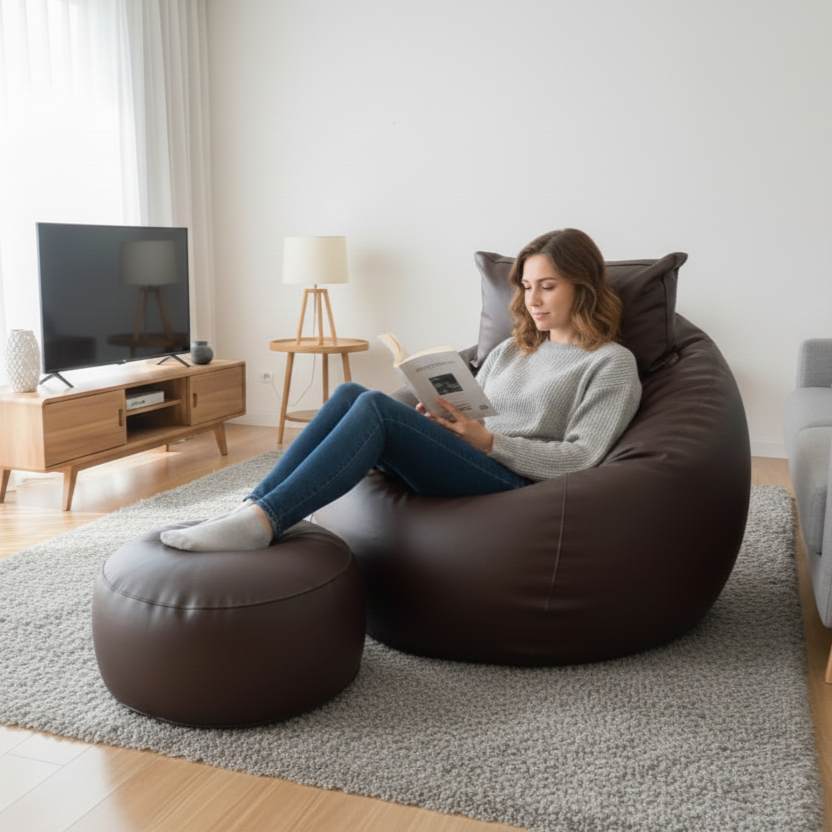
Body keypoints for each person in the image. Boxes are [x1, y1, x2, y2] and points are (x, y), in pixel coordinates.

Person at [160, 228, 642, 553]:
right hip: (472, 454)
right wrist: (446, 420)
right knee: (352, 392)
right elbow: (482, 414)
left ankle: (261, 524)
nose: (531, 300)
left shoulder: (610, 363)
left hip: (517, 486)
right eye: (527, 286)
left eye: (548, 286)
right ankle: (251, 508)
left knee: (376, 407)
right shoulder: (514, 350)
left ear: (583, 287)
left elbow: (583, 457)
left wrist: (491, 443)